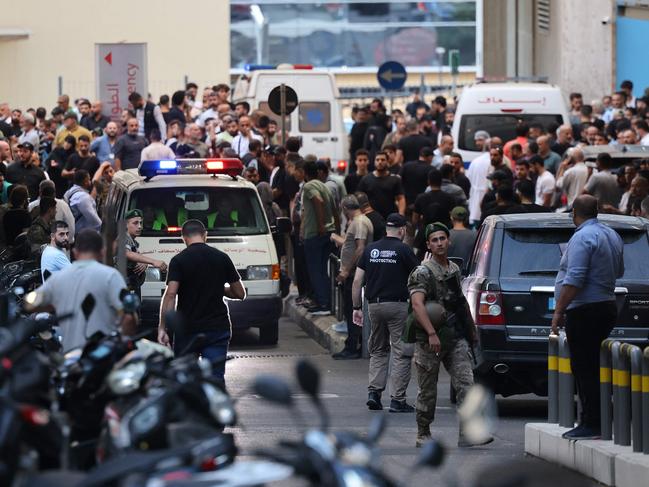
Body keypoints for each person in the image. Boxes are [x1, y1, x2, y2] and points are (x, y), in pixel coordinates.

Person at [407, 222, 492, 448]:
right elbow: (417, 305)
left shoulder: (453, 269)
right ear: (428, 245)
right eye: (434, 240)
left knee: (466, 383)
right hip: (430, 341)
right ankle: (423, 433)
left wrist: (471, 331)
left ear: (449, 240)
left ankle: (467, 433)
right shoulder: (422, 272)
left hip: (455, 337)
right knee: (428, 389)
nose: (439, 243)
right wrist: (432, 333)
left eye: (442, 238)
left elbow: (460, 302)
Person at [552, 195, 624, 440]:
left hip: (585, 311)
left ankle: (591, 423)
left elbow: (574, 279)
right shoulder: (611, 235)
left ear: (574, 213)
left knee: (585, 368)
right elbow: (620, 269)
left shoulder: (582, 237)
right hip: (605, 305)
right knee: (592, 366)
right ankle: (594, 420)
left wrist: (559, 310)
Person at [158, 220, 245, 383]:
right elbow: (240, 293)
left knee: (184, 379)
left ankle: (189, 408)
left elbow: (170, 294)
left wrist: (163, 328)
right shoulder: (222, 257)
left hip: (187, 330)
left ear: (183, 237)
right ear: (205, 235)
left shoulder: (178, 260)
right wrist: (220, 289)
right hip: (217, 329)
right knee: (215, 378)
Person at [26, 229, 135, 353]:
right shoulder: (112, 276)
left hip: (70, 358)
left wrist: (52, 305)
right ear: (102, 252)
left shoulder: (57, 279)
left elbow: (30, 303)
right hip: (104, 355)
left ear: (75, 253)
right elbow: (128, 317)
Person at [352, 213, 419, 412]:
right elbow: (419, 276)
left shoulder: (371, 250)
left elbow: (357, 282)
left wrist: (356, 307)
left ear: (385, 230)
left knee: (378, 349)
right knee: (401, 351)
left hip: (374, 306)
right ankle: (397, 400)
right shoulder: (404, 250)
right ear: (402, 230)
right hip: (398, 306)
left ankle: (374, 393)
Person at [330, 195, 373, 360]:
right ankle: (354, 343)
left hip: (355, 274)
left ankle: (353, 346)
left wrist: (346, 270)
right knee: (352, 310)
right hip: (354, 272)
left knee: (352, 309)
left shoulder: (360, 222)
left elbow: (360, 248)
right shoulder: (359, 221)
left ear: (345, 209)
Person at [300, 160, 338, 315]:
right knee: (323, 270)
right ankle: (325, 302)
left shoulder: (309, 186)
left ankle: (324, 304)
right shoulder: (325, 185)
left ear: (305, 173)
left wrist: (321, 225)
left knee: (316, 270)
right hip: (328, 233)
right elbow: (335, 209)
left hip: (315, 234)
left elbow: (318, 201)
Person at [123, 209, 168, 299]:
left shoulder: (133, 242)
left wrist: (144, 264)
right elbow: (127, 253)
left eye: (141, 223)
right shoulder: (123, 238)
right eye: (135, 223)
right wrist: (153, 261)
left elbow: (136, 257)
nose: (139, 226)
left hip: (132, 287)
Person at [357, 151, 405, 219]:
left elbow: (401, 198)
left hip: (390, 217)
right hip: (371, 218)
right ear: (374, 162)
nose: (380, 162)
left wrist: (401, 214)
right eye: (377, 160)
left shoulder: (395, 179)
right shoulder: (366, 179)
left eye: (383, 160)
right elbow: (359, 198)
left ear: (387, 161)